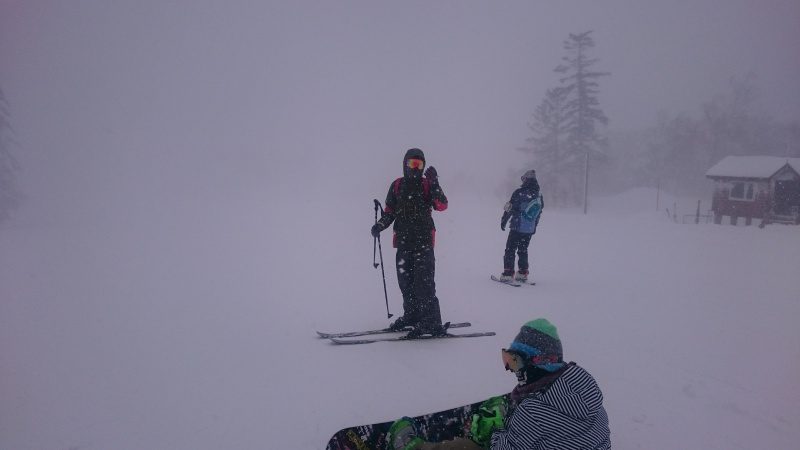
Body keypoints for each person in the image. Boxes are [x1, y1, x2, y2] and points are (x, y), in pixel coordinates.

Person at [387, 318, 611, 450]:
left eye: (514, 362)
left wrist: (490, 432)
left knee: (474, 446)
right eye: (507, 359)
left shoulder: (532, 412)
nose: (510, 369)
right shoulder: (583, 388)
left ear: (539, 362)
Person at [371, 148, 449, 337]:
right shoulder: (397, 185)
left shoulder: (427, 185)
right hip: (404, 242)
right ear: (405, 164)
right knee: (405, 283)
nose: (415, 168)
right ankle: (412, 316)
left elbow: (442, 205)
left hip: (424, 243)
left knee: (424, 284)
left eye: (419, 164)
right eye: (412, 164)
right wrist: (380, 225)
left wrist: (435, 183)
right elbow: (390, 211)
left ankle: (430, 322)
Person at [498, 170, 542, 283]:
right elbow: (538, 213)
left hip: (517, 226)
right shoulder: (539, 195)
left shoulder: (519, 192)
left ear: (526, 179)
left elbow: (509, 208)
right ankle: (522, 273)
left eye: (523, 179)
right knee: (523, 249)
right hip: (529, 228)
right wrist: (534, 226)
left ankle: (508, 273)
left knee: (510, 249)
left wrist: (503, 220)